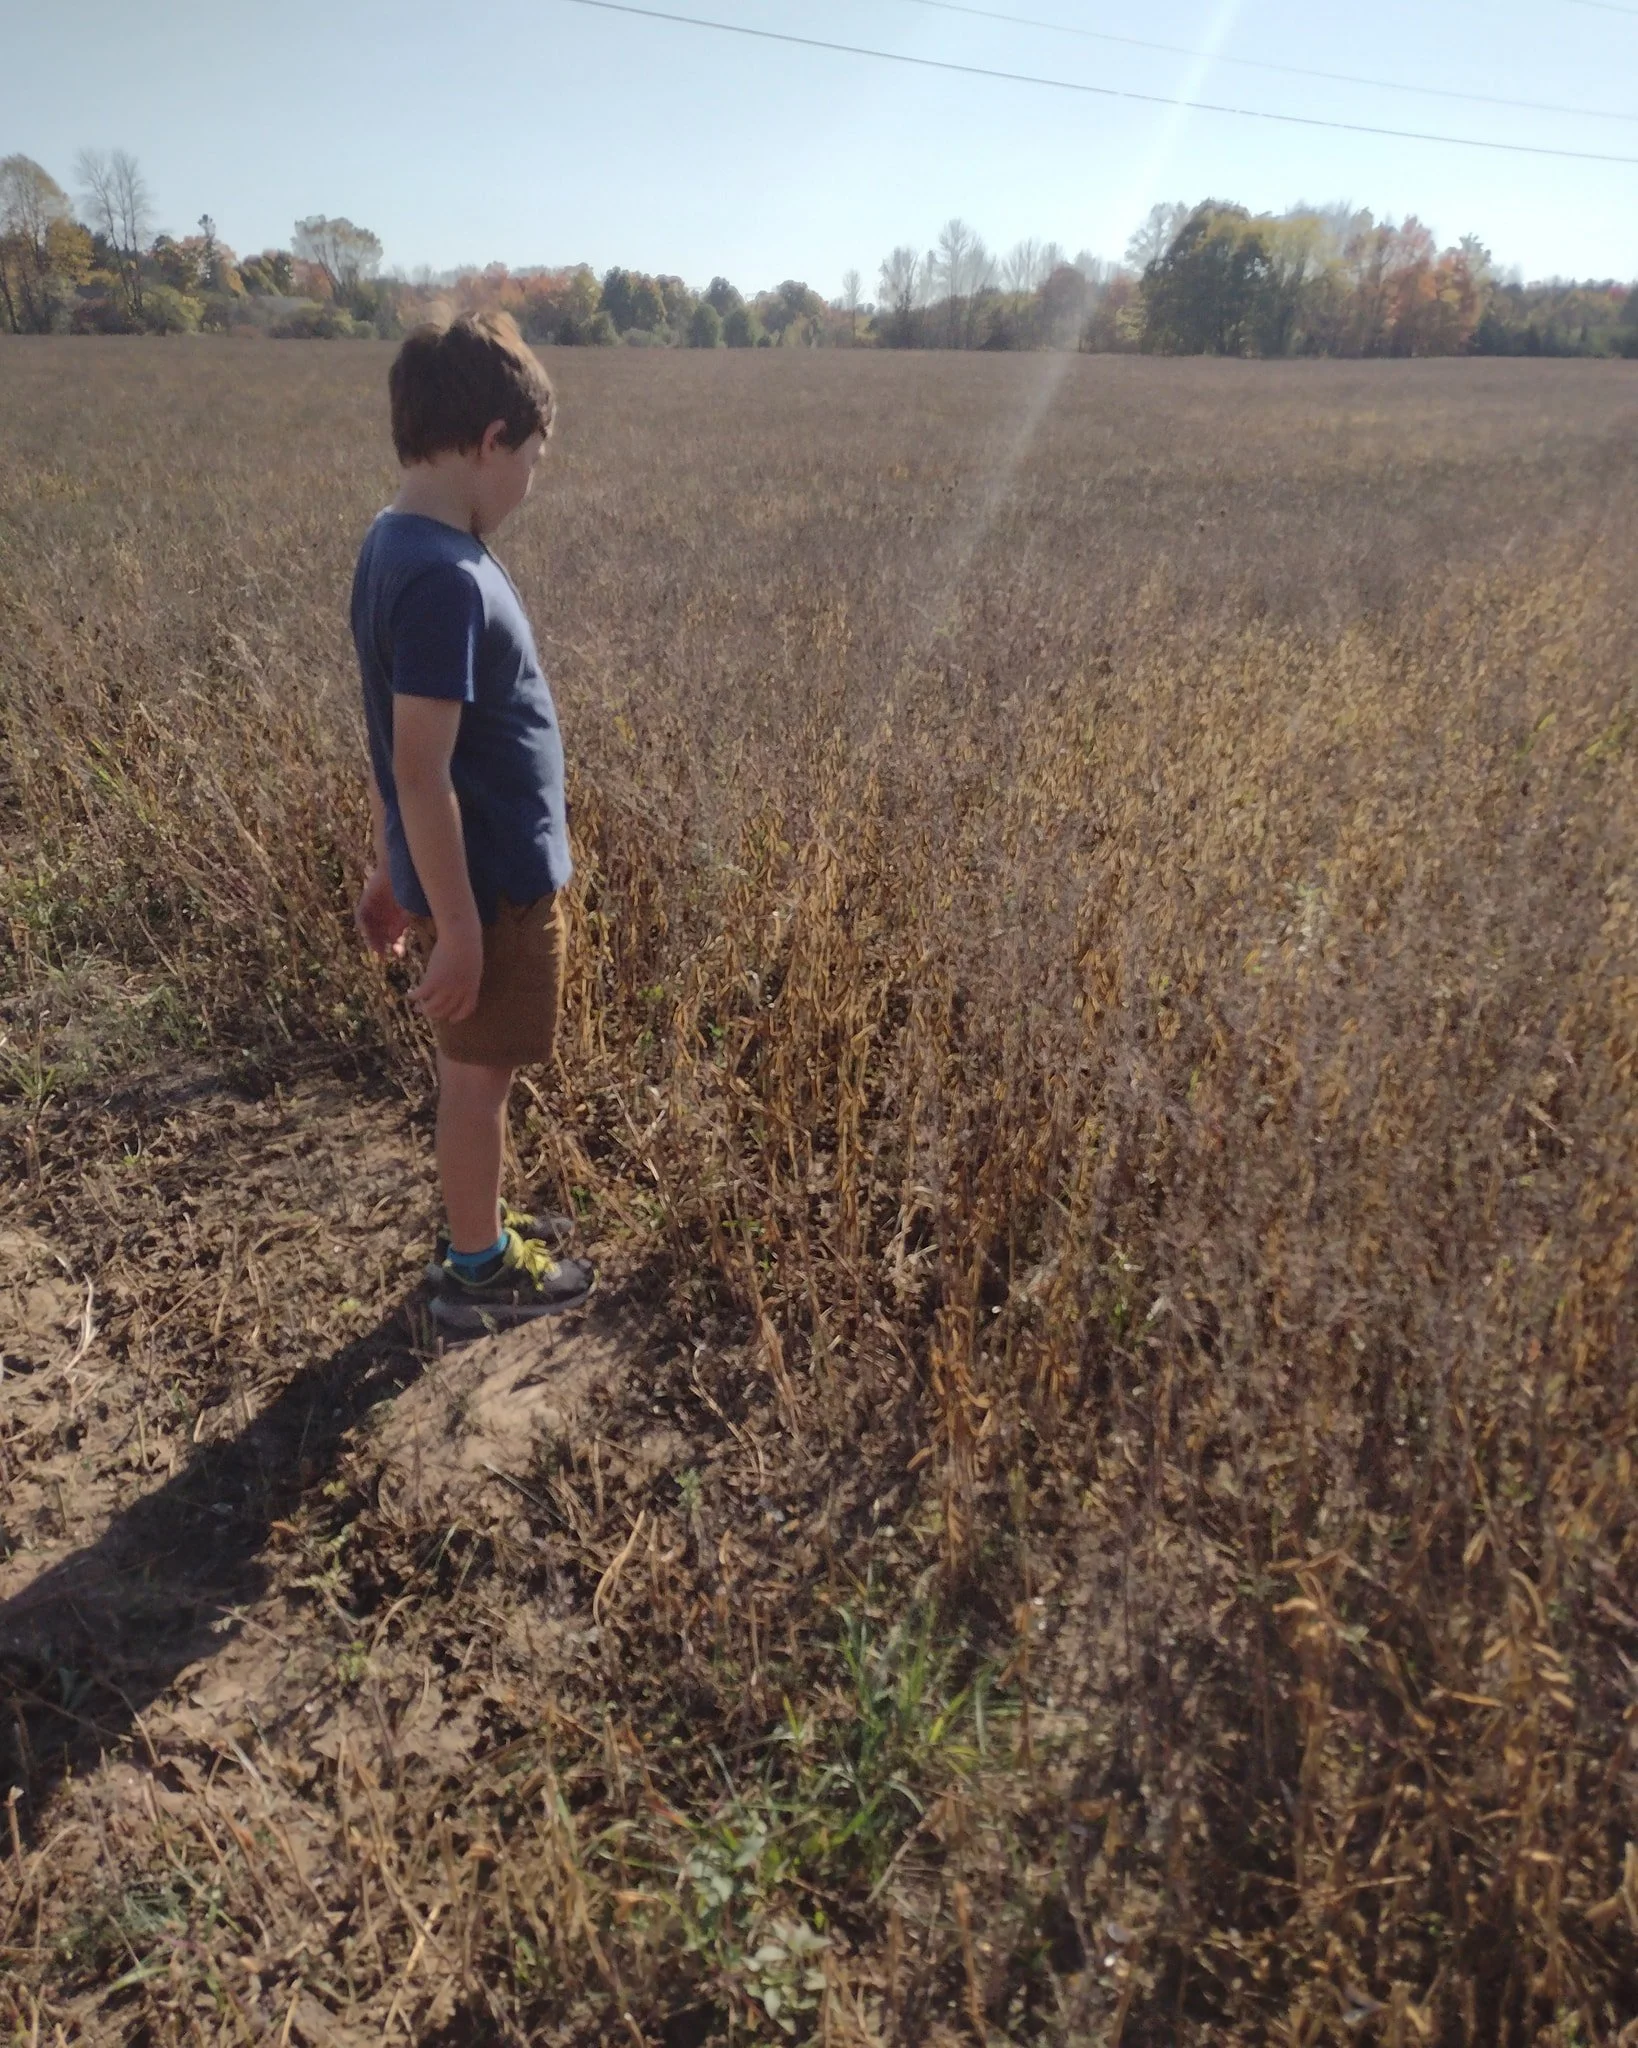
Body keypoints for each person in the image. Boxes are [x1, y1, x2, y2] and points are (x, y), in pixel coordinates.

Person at [350, 310, 593, 1331]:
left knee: (475, 1076)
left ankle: (476, 1225)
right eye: (530, 457)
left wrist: (386, 867)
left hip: (467, 875)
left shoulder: (394, 543)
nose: (531, 481)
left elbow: (389, 746)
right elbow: (420, 767)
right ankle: (477, 1267)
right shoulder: (446, 579)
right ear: (491, 439)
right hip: (487, 888)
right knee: (477, 1079)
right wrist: (453, 924)